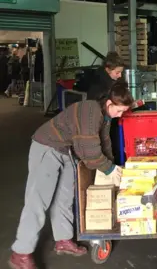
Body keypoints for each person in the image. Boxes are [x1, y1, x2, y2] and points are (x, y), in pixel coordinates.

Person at [9, 81, 133, 269]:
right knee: (38, 200)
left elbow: (104, 144)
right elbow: (90, 153)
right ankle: (21, 252)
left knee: (65, 198)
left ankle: (63, 240)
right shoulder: (91, 111)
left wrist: (114, 167)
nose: (121, 115)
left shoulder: (105, 118)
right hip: (47, 146)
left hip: (67, 151)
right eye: (120, 110)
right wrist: (110, 170)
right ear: (109, 104)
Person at [86, 52, 125, 165]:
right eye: (117, 72)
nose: (120, 75)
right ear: (108, 69)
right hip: (101, 120)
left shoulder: (111, 81)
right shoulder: (99, 85)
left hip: (108, 120)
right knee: (106, 143)